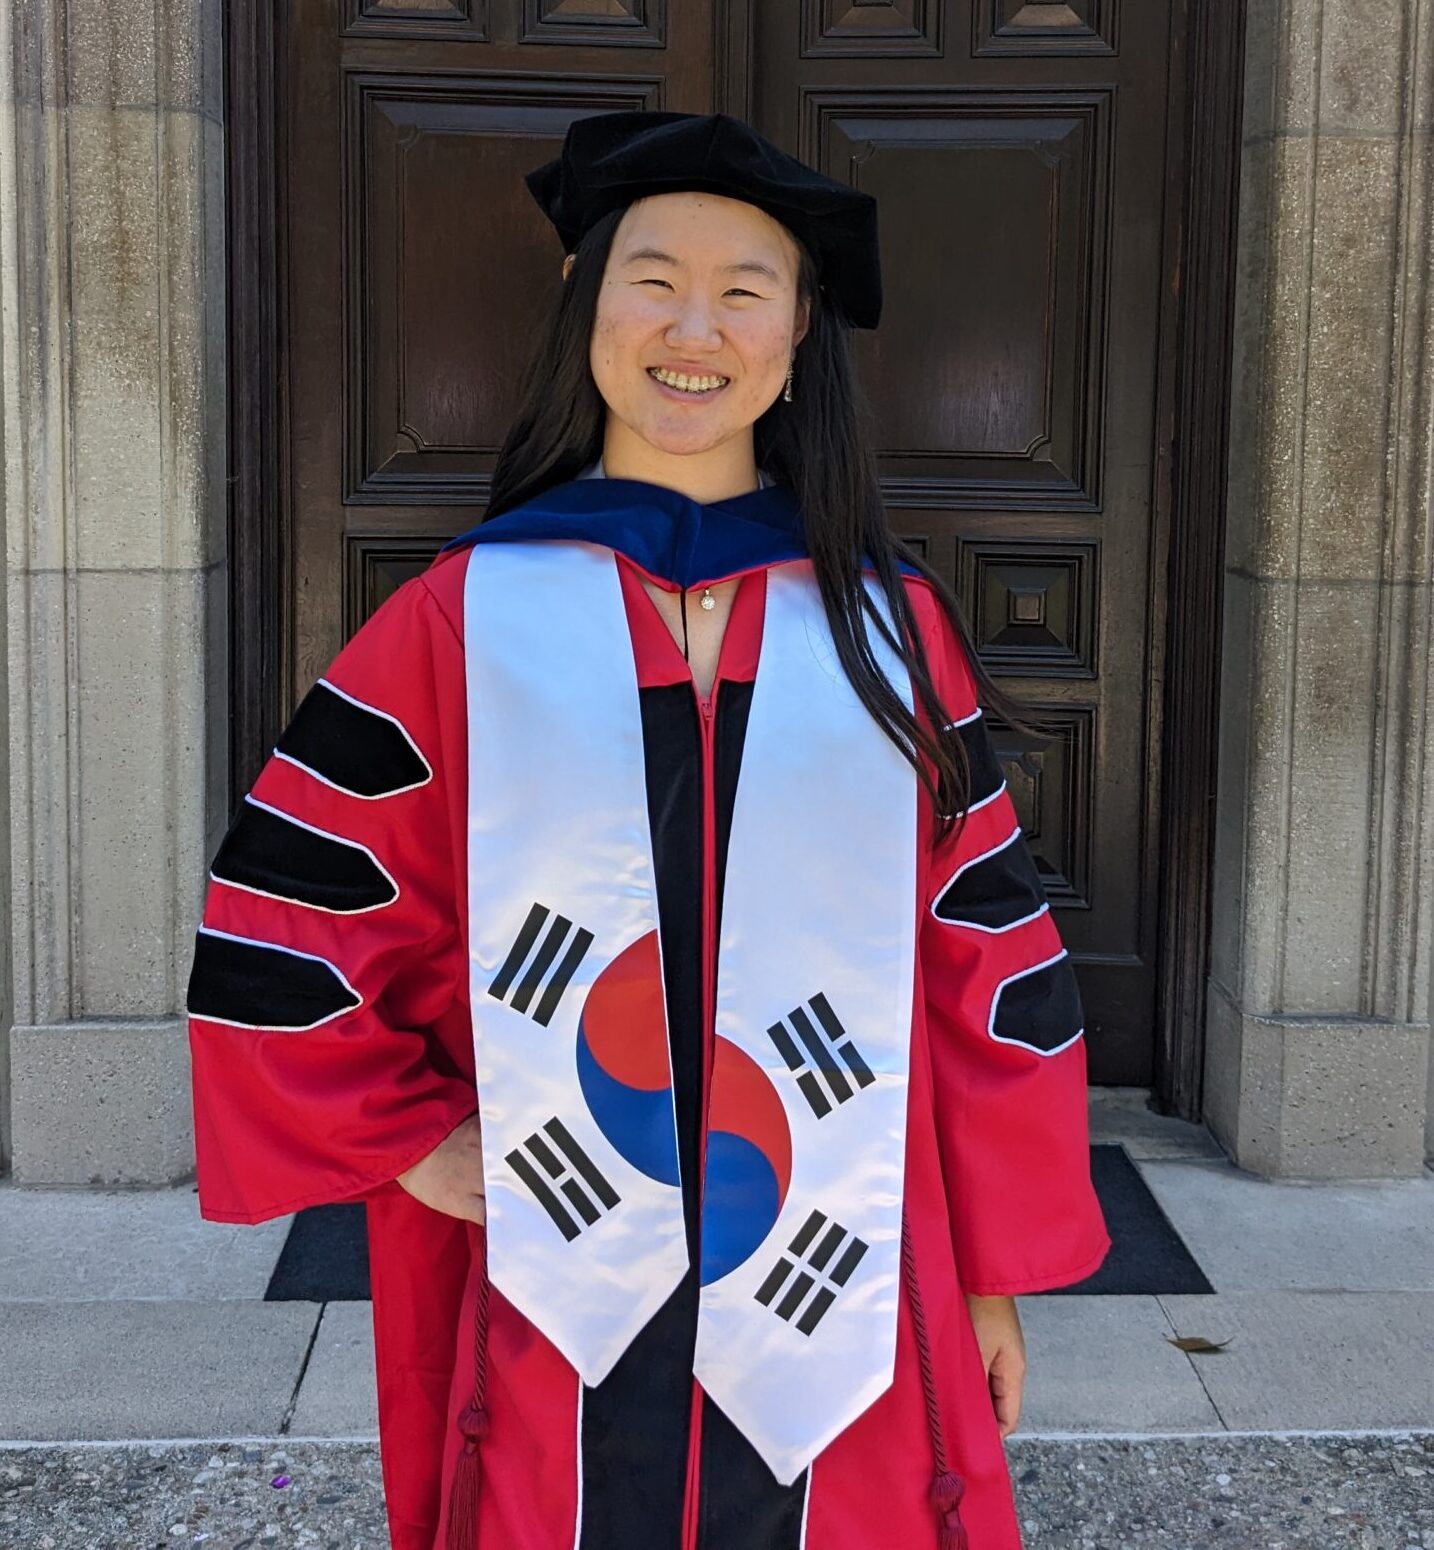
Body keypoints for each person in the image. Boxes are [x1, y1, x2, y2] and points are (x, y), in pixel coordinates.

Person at [187, 110, 1111, 1550]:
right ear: (585, 301)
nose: (696, 325)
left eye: (746, 288)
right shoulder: (465, 619)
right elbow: (283, 913)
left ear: (799, 336)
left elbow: (978, 961)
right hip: (565, 1266)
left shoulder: (887, 630)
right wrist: (412, 1145)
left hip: (833, 1247)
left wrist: (981, 1272)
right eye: (653, 277)